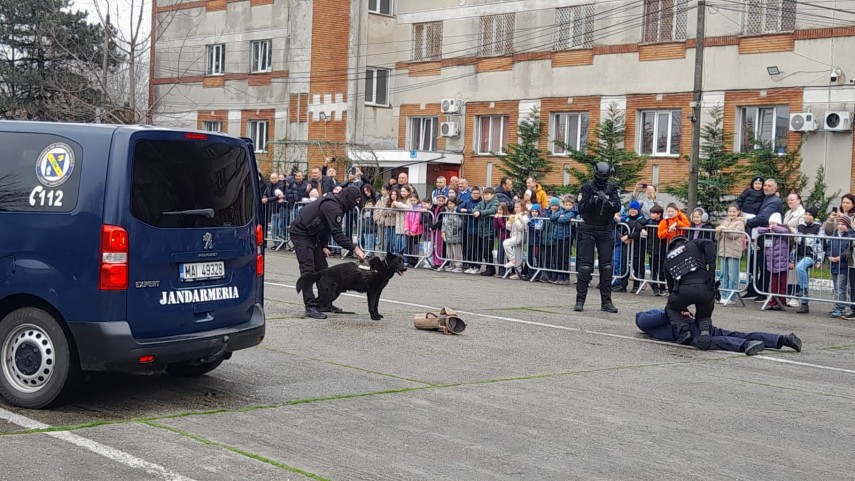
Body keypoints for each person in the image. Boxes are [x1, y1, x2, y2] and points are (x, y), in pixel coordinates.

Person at [289, 185, 369, 319]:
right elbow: (337, 234)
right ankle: (310, 306)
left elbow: (325, 226)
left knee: (323, 269)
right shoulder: (333, 207)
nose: (353, 207)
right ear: (349, 199)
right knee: (308, 270)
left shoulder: (338, 205)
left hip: (314, 234)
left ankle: (324, 303)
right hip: (301, 233)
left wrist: (324, 245)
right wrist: (355, 248)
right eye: (354, 202)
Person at [635, 308, 802, 356]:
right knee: (725, 337)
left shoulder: (652, 320)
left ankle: (779, 339)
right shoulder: (643, 318)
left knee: (722, 338)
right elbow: (653, 319)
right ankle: (777, 340)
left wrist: (678, 310)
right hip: (688, 330)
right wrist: (674, 310)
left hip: (691, 328)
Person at [575, 162, 622, 313]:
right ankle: (580, 301)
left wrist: (606, 201)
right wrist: (593, 201)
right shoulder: (587, 187)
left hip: (605, 230)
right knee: (585, 266)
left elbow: (617, 206)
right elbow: (581, 209)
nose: (602, 179)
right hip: (589, 228)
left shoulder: (612, 187)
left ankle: (606, 302)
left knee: (606, 267)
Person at [663, 236, 718, 349]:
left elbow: (671, 287)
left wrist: (682, 308)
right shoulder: (694, 243)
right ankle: (704, 329)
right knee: (704, 314)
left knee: (671, 308)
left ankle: (684, 331)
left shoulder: (667, 258)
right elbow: (708, 242)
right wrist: (711, 267)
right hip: (705, 287)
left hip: (683, 290)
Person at [744, 178, 783, 302]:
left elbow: (763, 217)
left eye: (769, 186)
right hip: (758, 236)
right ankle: (754, 289)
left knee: (764, 265)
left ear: (775, 188)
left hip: (767, 237)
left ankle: (763, 291)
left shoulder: (775, 201)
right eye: (765, 185)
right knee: (756, 264)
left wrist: (746, 222)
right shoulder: (765, 198)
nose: (766, 187)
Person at [756, 212, 790, 311]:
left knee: (782, 283)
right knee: (774, 283)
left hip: (781, 261)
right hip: (772, 262)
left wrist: (774, 228)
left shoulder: (784, 231)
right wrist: (769, 228)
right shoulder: (769, 233)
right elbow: (759, 230)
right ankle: (773, 300)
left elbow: (783, 230)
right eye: (770, 223)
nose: (771, 226)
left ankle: (781, 300)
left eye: (774, 223)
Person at [715, 204, 747, 305]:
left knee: (732, 275)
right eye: (730, 211)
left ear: (738, 212)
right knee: (723, 274)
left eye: (734, 211)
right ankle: (724, 295)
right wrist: (719, 231)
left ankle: (732, 296)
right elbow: (717, 237)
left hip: (733, 251)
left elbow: (735, 234)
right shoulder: (725, 221)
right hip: (723, 250)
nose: (731, 213)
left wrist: (724, 229)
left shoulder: (740, 222)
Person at [792, 206, 822, 313]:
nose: (807, 216)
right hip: (799, 254)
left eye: (810, 215)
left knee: (800, 268)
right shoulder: (800, 227)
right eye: (806, 214)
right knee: (803, 275)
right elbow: (795, 244)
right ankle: (804, 304)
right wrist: (792, 259)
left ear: (813, 217)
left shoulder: (818, 228)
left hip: (810, 255)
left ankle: (803, 289)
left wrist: (819, 260)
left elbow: (820, 244)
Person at [827, 215, 854, 318]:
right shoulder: (834, 235)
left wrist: (840, 257)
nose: (840, 226)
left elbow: (848, 251)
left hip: (844, 266)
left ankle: (840, 308)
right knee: (836, 287)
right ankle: (838, 306)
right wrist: (829, 256)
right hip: (834, 265)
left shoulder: (850, 236)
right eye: (838, 224)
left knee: (841, 286)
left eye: (843, 224)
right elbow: (828, 247)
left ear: (847, 225)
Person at [621, 200, 647, 293]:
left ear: (638, 210)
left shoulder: (642, 219)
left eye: (634, 209)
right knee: (624, 265)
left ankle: (636, 285)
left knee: (637, 266)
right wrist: (622, 238)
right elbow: (620, 229)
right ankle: (623, 285)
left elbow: (638, 230)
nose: (632, 211)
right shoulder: (626, 218)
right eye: (631, 209)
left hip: (638, 246)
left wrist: (628, 236)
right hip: (627, 245)